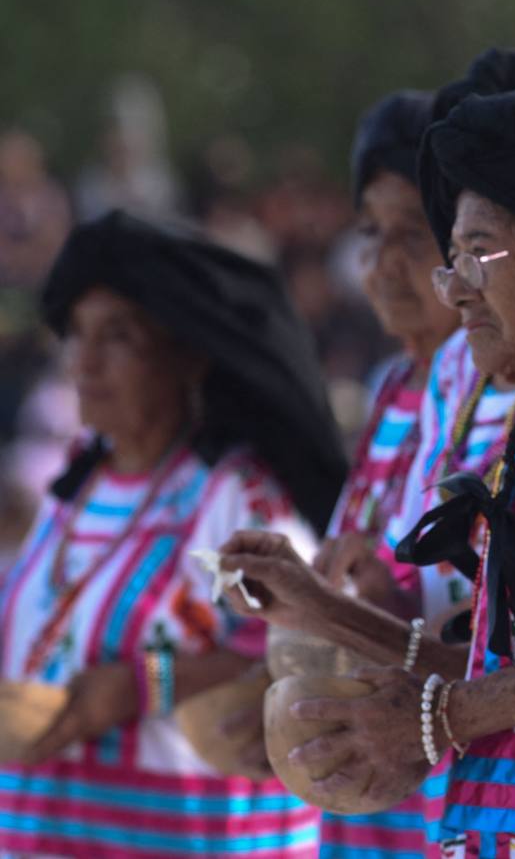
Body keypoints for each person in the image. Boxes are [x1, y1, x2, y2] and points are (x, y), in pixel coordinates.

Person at [218, 75, 515, 857]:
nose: (457, 292)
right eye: (452, 259)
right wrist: (321, 609)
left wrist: (432, 721)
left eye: (480, 254)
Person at [0, 210, 345, 857]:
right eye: (77, 334)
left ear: (186, 354)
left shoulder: (239, 499)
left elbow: (313, 661)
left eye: (119, 335)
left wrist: (147, 684)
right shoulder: (75, 488)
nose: (86, 360)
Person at [309, 89, 472, 859]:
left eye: (414, 233)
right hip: (370, 774)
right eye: (372, 233)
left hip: (445, 763)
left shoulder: (497, 392)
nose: (384, 262)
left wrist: (383, 596)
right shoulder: (389, 388)